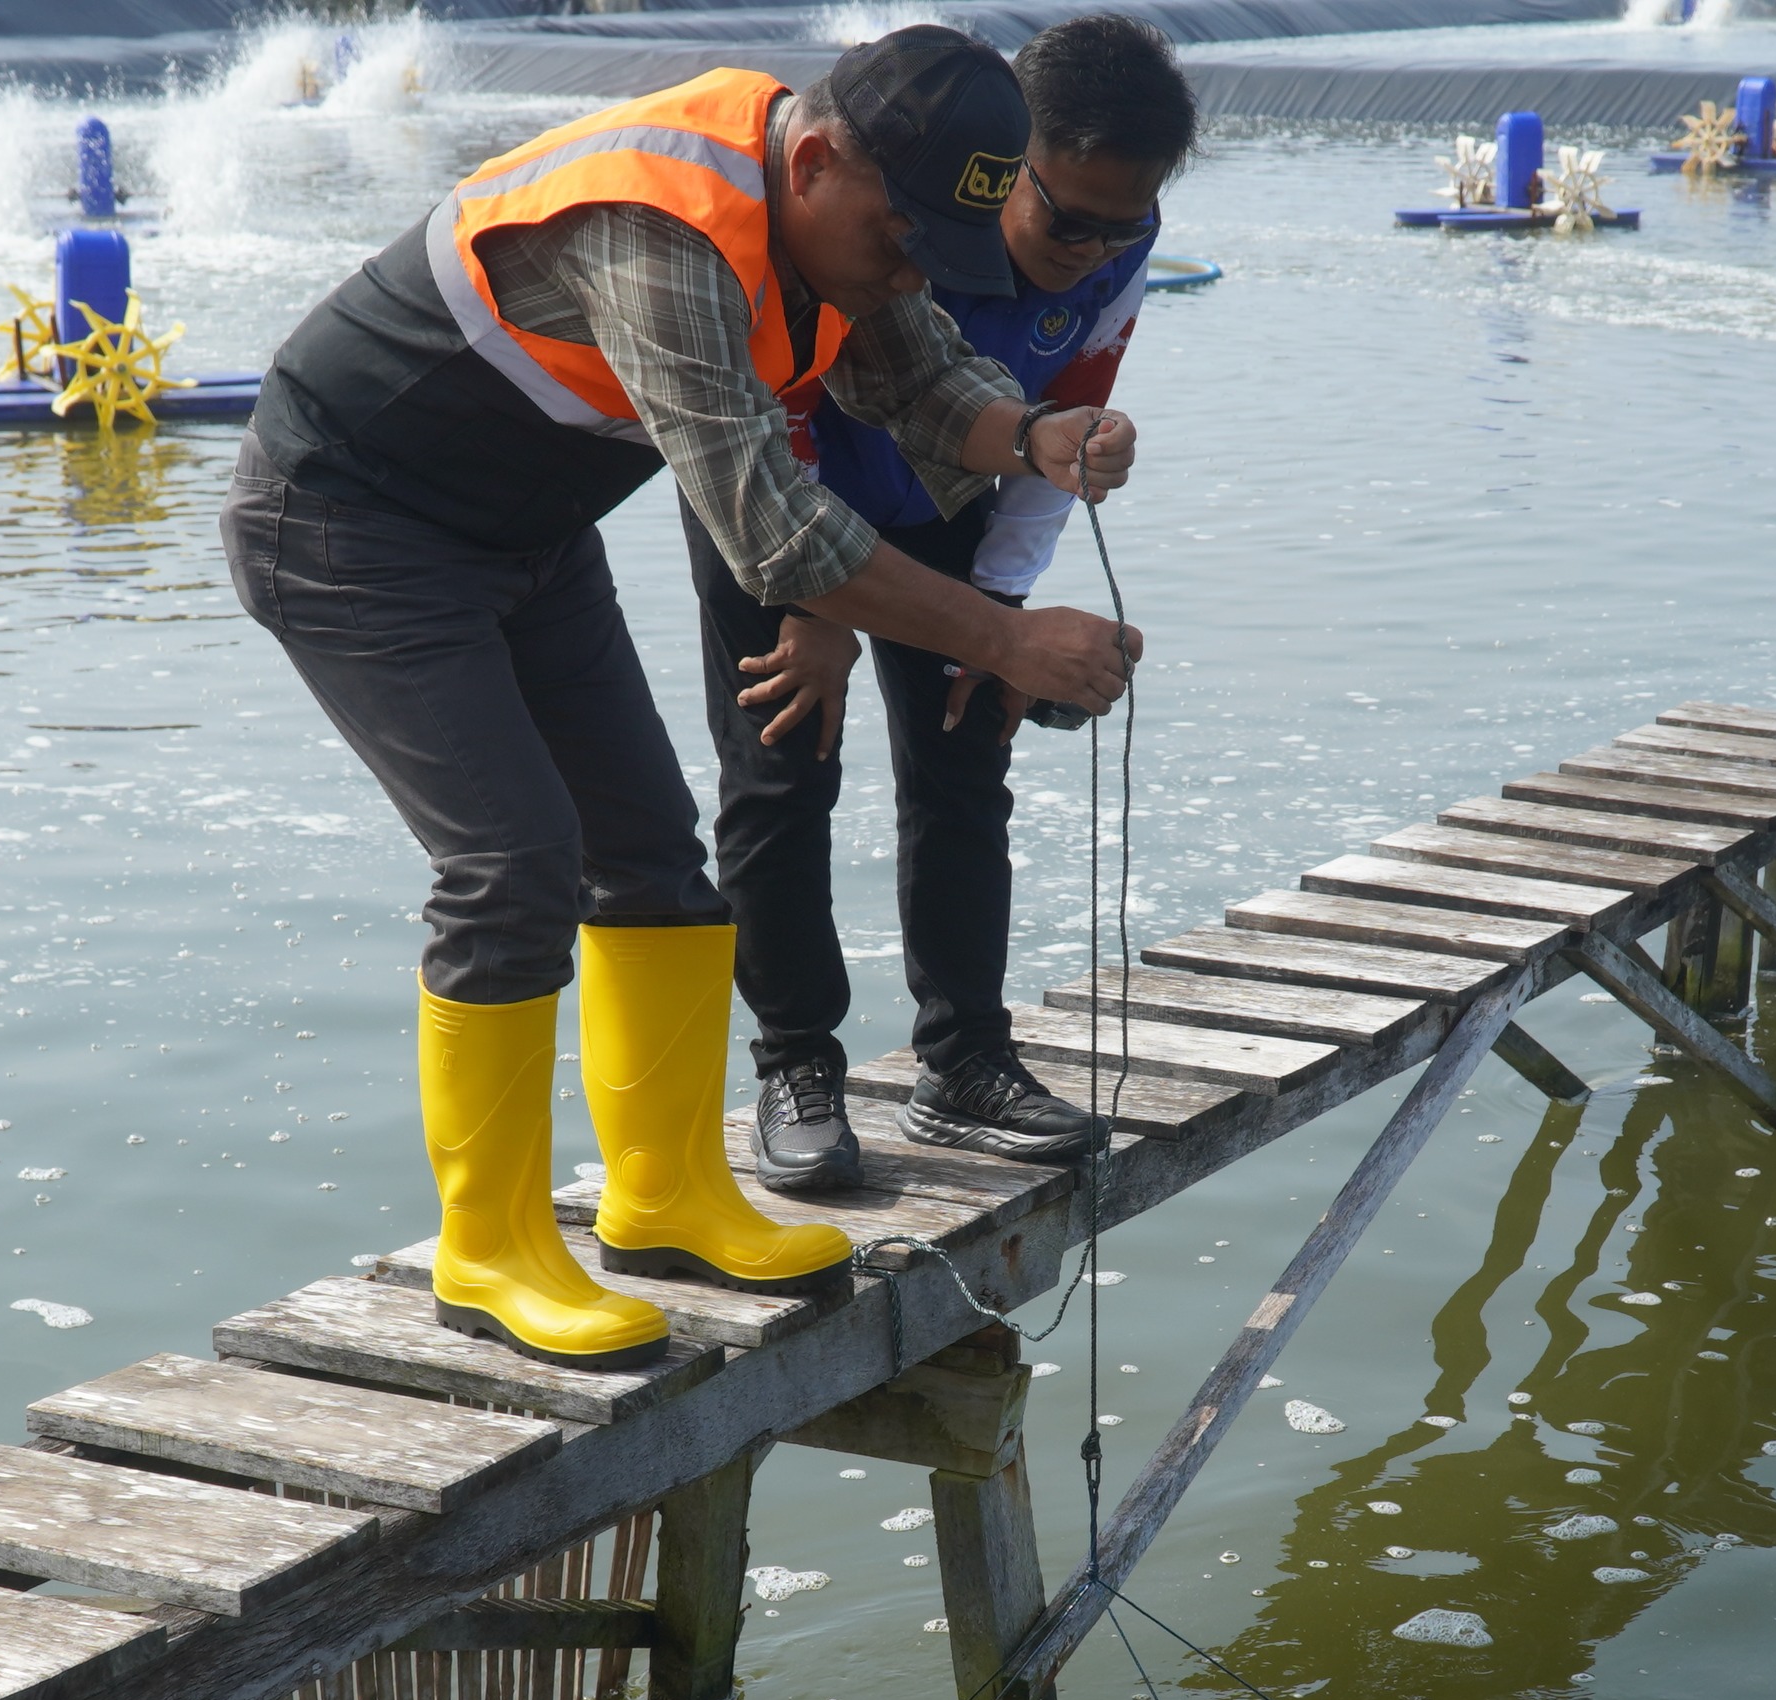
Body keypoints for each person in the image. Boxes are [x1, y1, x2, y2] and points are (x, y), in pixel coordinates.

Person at [220, 29, 1145, 1370]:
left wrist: (1031, 435)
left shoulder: (843, 204)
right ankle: (491, 1250)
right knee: (513, 864)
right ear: (820, 162)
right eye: (900, 242)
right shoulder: (666, 237)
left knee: (652, 860)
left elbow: (916, 372)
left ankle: (662, 1197)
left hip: (523, 529)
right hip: (349, 521)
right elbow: (776, 535)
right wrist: (1002, 640)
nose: (906, 275)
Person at [686, 15, 1199, 1193]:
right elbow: (778, 403)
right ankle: (795, 1065)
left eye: (1121, 226)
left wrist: (1001, 618)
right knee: (783, 760)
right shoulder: (897, 213)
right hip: (773, 478)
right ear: (999, 165)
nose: (1089, 248)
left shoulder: (1119, 240)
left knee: (968, 754)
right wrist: (815, 609)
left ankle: (964, 1060)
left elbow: (1059, 420)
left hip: (958, 485)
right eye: (1063, 217)